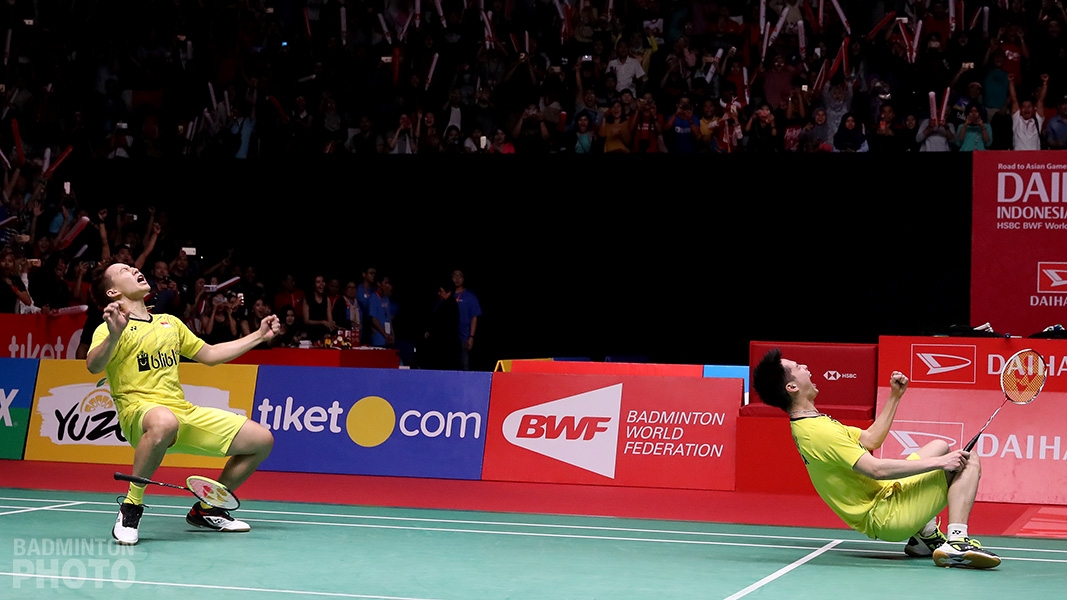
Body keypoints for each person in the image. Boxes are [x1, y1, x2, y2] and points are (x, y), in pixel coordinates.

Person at [86, 259, 279, 545]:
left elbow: (210, 354)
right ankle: (131, 506)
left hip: (181, 411)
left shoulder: (170, 323)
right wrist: (114, 335)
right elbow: (93, 365)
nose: (135, 270)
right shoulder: (110, 328)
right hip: (140, 413)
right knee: (165, 421)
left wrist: (259, 336)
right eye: (125, 270)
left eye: (133, 267)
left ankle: (209, 508)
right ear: (113, 292)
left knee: (261, 441)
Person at [752, 348, 1001, 569]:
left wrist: (895, 396)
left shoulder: (811, 423)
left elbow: (871, 439)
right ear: (792, 387)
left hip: (884, 498)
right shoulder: (819, 432)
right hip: (885, 516)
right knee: (969, 461)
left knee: (939, 446)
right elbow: (875, 470)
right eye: (798, 367)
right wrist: (941, 463)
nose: (805, 367)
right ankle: (957, 543)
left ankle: (924, 537)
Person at [451, 269, 481, 371]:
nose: (457, 279)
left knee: (464, 366)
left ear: (463, 279)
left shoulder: (470, 297)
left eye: (460, 276)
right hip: (449, 338)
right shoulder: (447, 296)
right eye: (455, 276)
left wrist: (471, 336)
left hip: (464, 337)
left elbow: (474, 317)